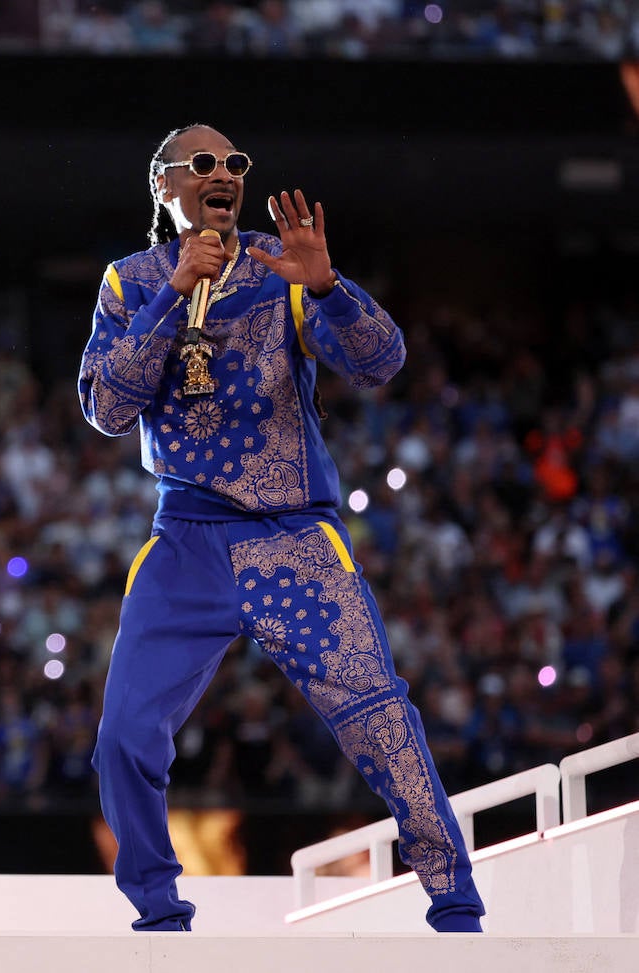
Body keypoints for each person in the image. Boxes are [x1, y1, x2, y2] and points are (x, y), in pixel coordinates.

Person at [78, 124, 486, 933]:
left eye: (235, 163)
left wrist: (331, 288)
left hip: (293, 540)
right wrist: (168, 300)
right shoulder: (129, 283)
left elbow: (380, 364)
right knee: (125, 733)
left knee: (381, 721)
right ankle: (159, 916)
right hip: (186, 541)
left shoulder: (284, 268)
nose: (223, 174)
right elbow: (106, 408)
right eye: (203, 165)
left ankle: (456, 901)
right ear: (165, 186)